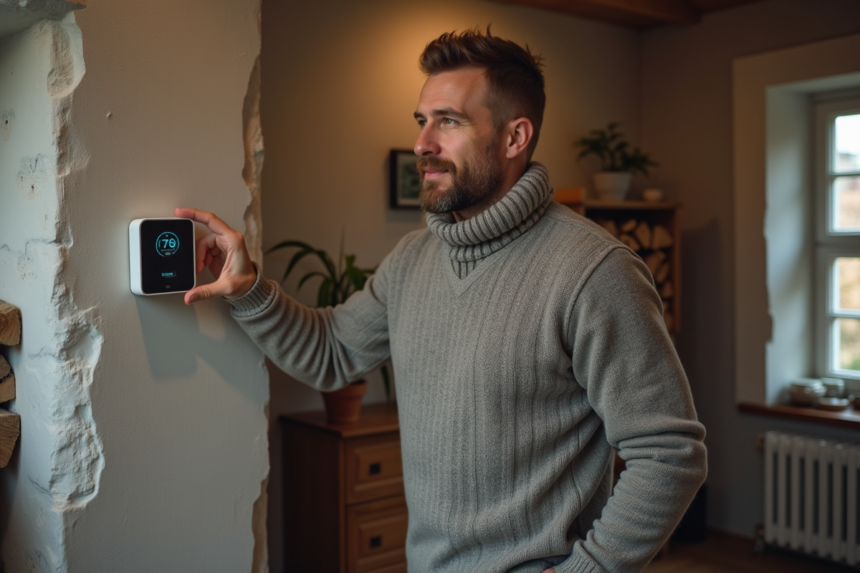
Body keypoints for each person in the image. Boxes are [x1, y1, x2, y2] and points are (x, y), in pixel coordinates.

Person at [177, 28, 706, 573]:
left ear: (514, 137)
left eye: (448, 121)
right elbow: (332, 352)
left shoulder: (594, 270)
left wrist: (589, 570)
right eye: (421, 121)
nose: (422, 143)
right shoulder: (413, 257)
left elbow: (669, 453)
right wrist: (246, 289)